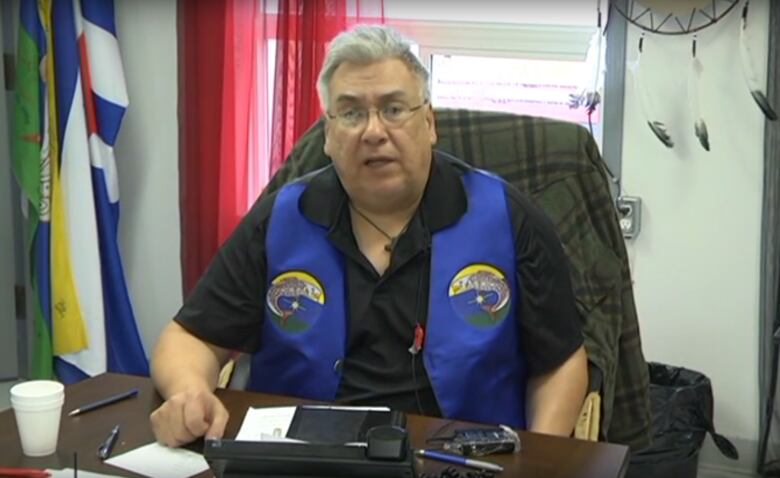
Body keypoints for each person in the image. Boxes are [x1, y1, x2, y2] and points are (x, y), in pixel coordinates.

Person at [150, 24, 588, 447]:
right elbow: (189, 338)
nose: (374, 131)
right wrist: (189, 392)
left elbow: (561, 361)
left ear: (430, 123)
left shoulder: (507, 217)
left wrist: (538, 455)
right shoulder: (281, 219)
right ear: (328, 134)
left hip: (462, 455)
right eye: (352, 113)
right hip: (304, 457)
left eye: (394, 109)